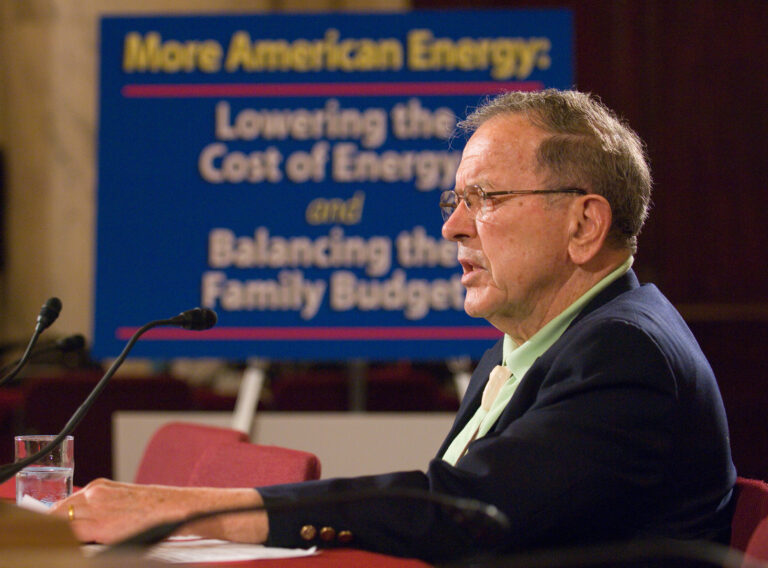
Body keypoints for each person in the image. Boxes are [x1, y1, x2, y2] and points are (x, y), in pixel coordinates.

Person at [51, 89, 736, 562]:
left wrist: (181, 510)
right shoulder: (532, 344)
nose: (452, 226)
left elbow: (461, 514)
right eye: (455, 199)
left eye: (485, 199)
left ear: (584, 224)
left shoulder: (626, 354)